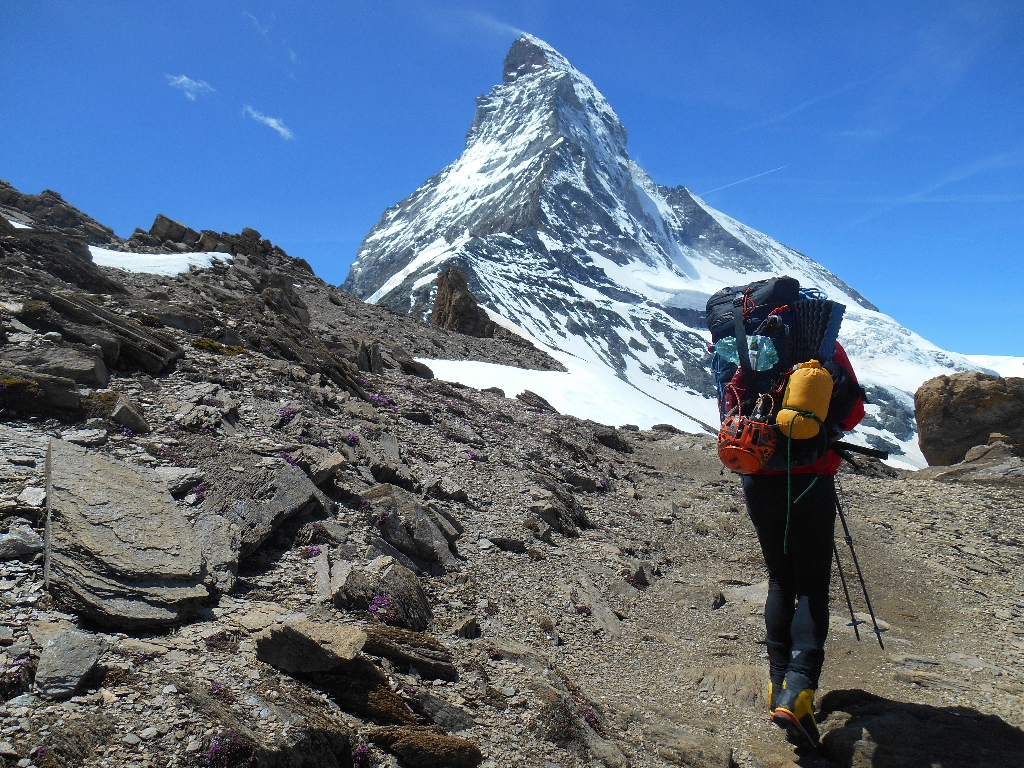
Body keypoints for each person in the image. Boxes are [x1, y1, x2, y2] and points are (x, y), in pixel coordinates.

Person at [741, 340, 864, 747]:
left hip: (757, 474)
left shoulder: (740, 342)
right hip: (810, 478)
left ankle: (779, 688)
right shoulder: (825, 347)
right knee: (811, 585)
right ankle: (799, 690)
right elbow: (853, 413)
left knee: (780, 580)